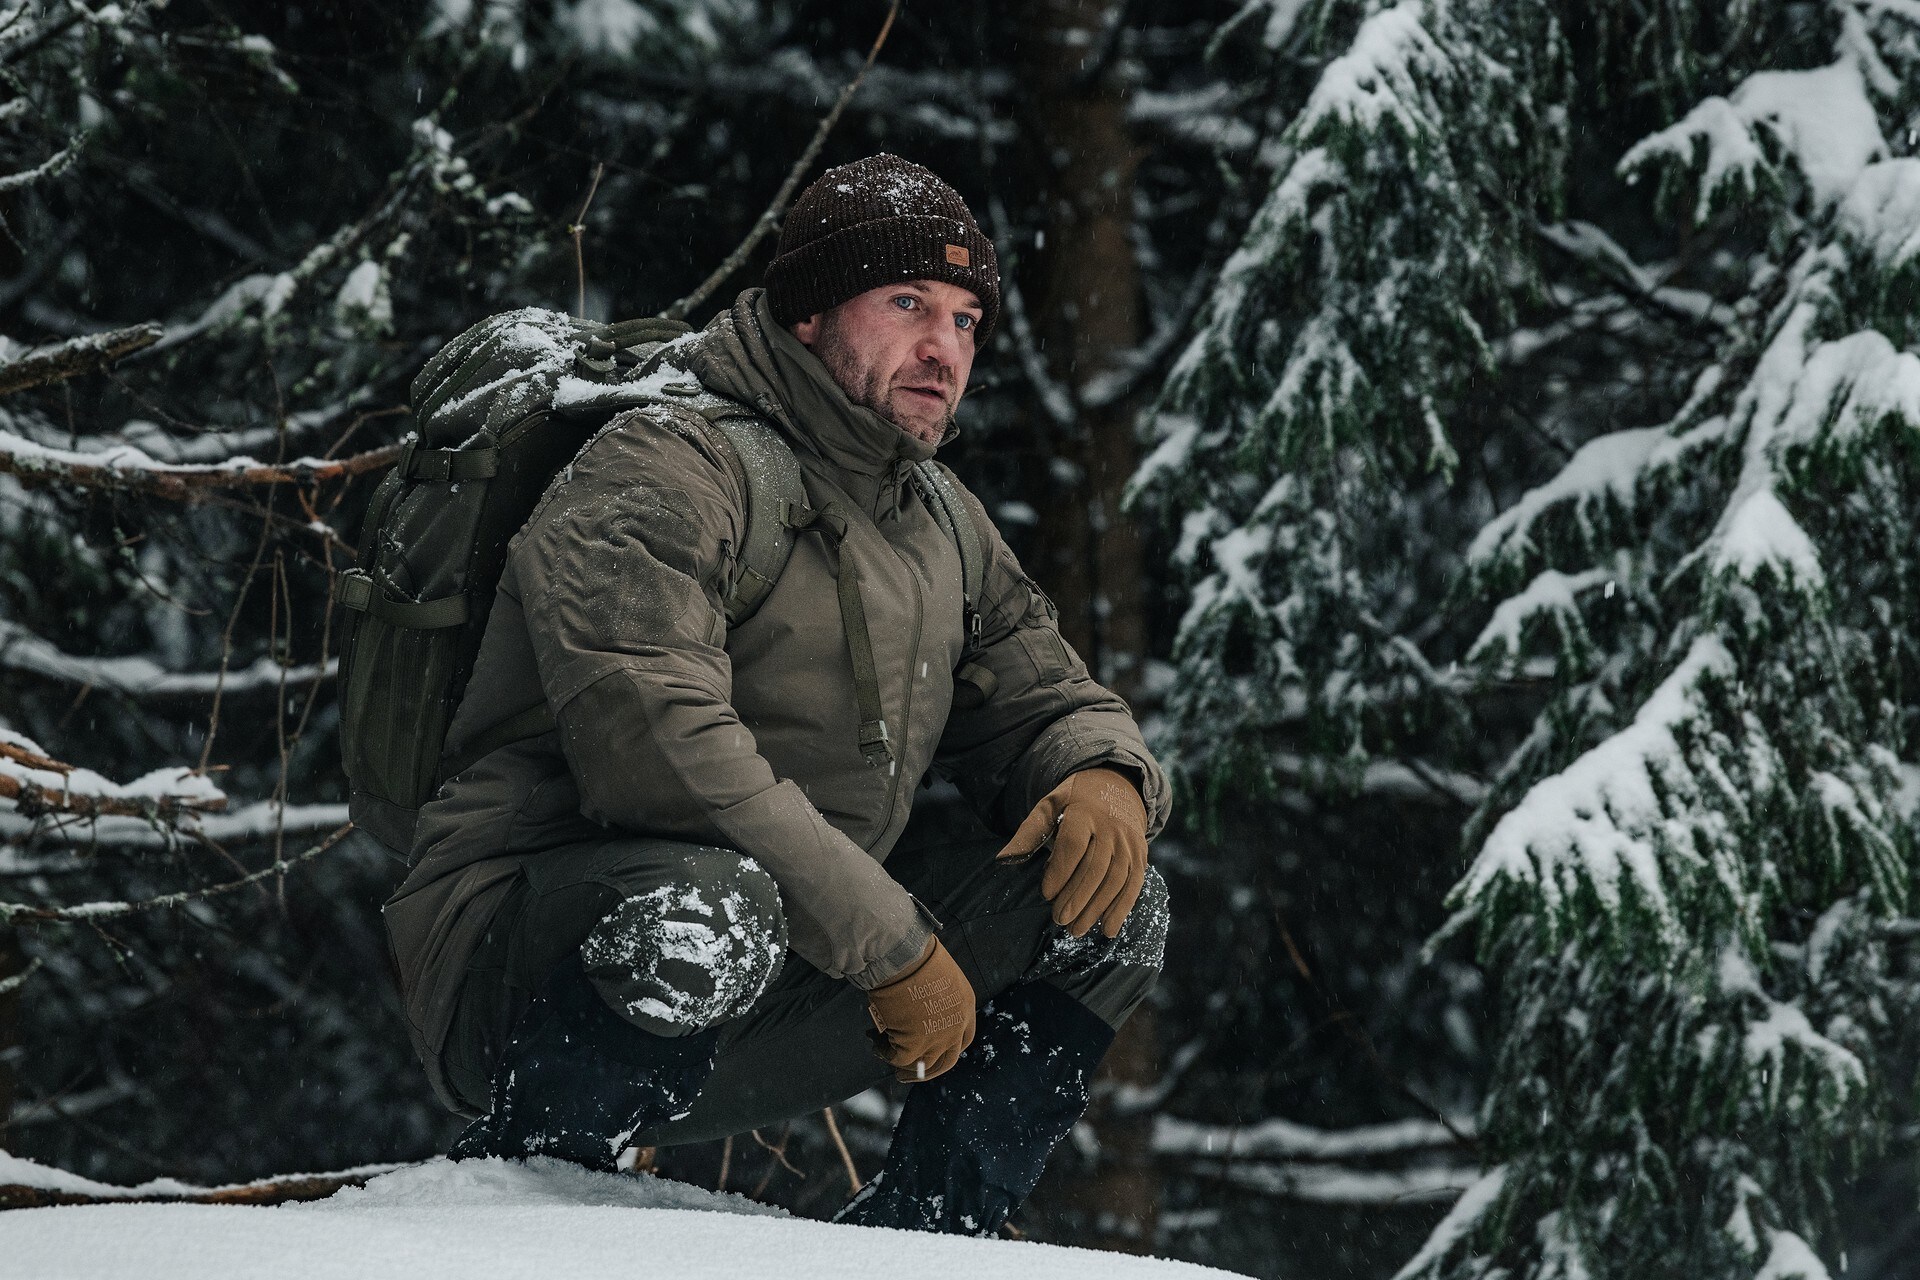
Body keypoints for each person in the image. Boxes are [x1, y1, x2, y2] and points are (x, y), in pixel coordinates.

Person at [382, 153, 1171, 1236]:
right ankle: (529, 1211)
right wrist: (891, 941)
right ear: (808, 312)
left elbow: (1041, 691)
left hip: (784, 975)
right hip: (532, 962)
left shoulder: (937, 515)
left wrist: (1103, 773)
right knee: (712, 906)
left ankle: (924, 1246)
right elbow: (655, 744)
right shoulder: (662, 463)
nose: (944, 349)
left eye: (967, 319)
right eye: (907, 305)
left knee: (1110, 902)